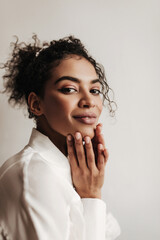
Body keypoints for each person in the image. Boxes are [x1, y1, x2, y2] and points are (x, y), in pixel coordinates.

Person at [0, 35, 121, 240]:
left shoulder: (74, 172)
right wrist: (91, 196)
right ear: (36, 104)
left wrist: (89, 189)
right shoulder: (33, 174)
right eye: (69, 89)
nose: (89, 101)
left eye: (94, 90)